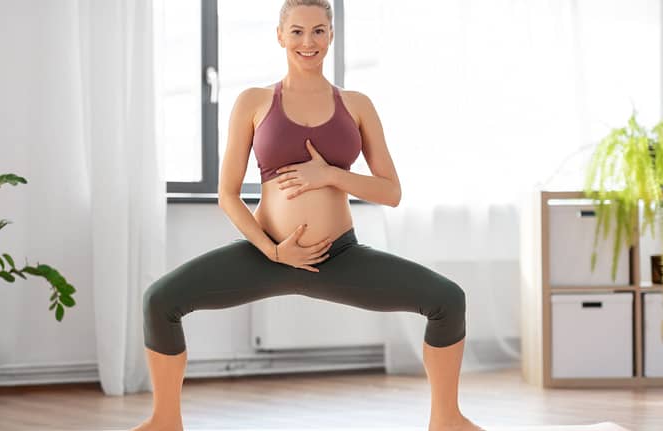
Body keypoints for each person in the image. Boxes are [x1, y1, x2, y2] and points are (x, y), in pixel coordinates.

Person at [132, 1, 485, 430]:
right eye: (297, 31)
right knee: (160, 300)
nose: (308, 42)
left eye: (319, 31)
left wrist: (331, 175)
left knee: (448, 300)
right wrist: (273, 251)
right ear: (280, 35)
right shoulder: (254, 101)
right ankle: (165, 422)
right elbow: (227, 195)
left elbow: (390, 191)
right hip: (264, 256)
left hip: (338, 258)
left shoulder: (356, 104)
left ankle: (446, 420)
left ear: (331, 36)